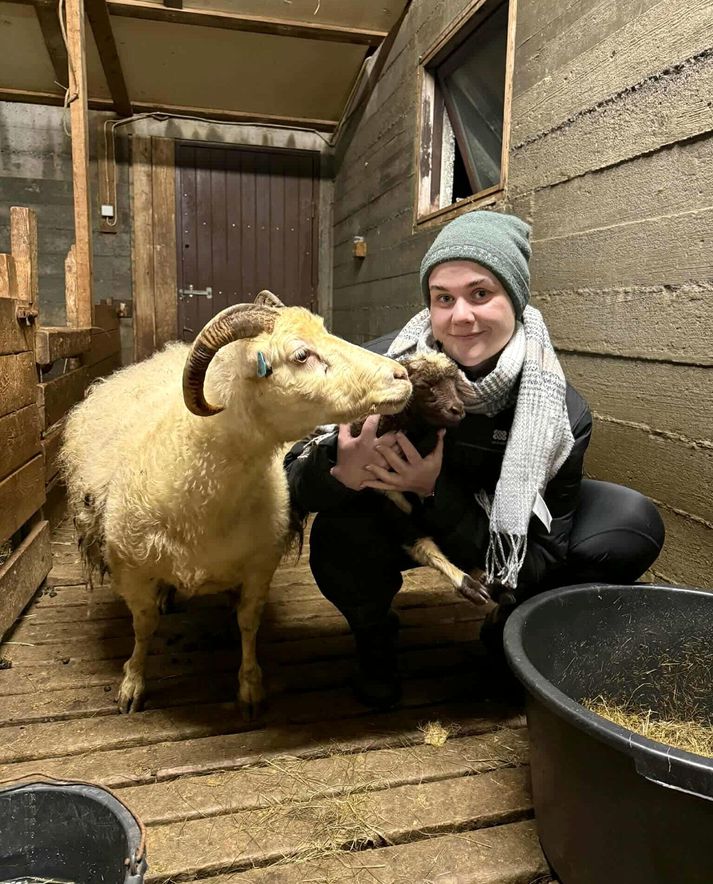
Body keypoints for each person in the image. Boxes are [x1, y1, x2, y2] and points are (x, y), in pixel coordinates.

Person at [285, 211, 665, 708]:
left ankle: (510, 628)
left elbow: (543, 556)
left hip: (485, 528)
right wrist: (338, 469)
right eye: (444, 298)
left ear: (515, 298)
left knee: (629, 523)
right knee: (338, 536)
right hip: (399, 522)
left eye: (481, 294)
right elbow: (291, 482)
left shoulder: (557, 410)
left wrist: (433, 489)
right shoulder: (383, 368)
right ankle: (374, 638)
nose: (460, 316)